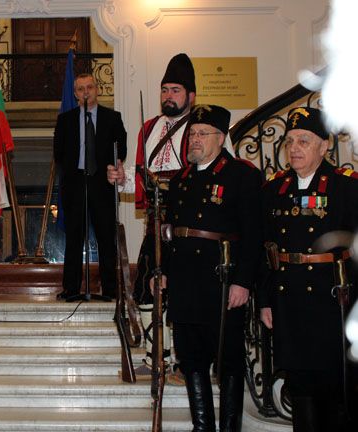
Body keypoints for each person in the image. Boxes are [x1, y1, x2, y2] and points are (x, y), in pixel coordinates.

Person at [158, 105, 262, 431]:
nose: (195, 139)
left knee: (228, 360)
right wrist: (162, 271)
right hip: (184, 282)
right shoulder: (181, 180)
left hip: (222, 281)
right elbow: (167, 231)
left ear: (221, 137)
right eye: (192, 133)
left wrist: (243, 282)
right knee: (191, 359)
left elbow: (254, 235)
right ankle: (202, 427)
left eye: (203, 133)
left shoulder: (241, 175)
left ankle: (229, 427)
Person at [259, 107, 358, 432]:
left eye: (304, 140)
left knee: (334, 392)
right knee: (299, 388)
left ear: (324, 145)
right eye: (289, 141)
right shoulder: (275, 189)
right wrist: (265, 301)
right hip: (288, 301)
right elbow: (265, 249)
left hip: (332, 302)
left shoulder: (345, 187)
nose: (294, 148)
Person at [107, 52, 197, 375]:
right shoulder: (149, 128)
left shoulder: (202, 128)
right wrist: (123, 177)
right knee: (146, 287)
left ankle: (181, 358)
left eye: (176, 90)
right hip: (155, 221)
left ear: (191, 96)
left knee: (180, 289)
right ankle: (154, 355)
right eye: (165, 90)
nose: (168, 96)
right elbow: (142, 177)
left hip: (188, 223)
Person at [53, 73, 127, 300]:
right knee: (74, 238)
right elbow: (58, 153)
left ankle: (110, 289)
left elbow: (121, 149)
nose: (86, 92)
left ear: (97, 89)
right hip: (75, 185)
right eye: (81, 89)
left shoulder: (112, 117)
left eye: (90, 87)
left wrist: (114, 166)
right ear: (75, 94)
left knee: (106, 238)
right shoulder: (65, 120)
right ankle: (71, 288)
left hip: (103, 183)